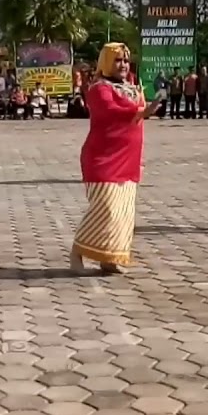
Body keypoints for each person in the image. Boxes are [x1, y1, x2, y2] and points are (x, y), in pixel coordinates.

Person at [70, 43, 160, 275]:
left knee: (122, 213)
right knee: (105, 209)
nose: (123, 65)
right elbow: (109, 111)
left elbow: (138, 114)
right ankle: (77, 252)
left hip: (128, 158)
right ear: (107, 62)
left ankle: (109, 258)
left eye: (126, 61)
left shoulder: (132, 87)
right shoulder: (98, 88)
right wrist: (141, 112)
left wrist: (146, 110)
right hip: (103, 158)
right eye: (118, 60)